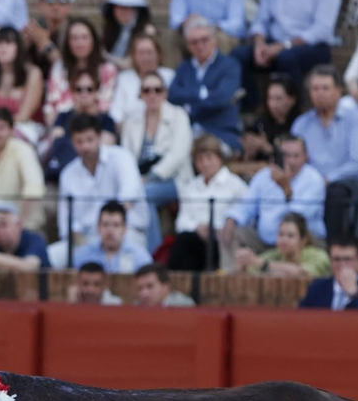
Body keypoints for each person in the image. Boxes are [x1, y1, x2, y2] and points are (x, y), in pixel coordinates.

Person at [237, 0, 340, 111]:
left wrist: (283, 46)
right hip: (276, 42)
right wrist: (260, 43)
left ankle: (294, 113)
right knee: (239, 56)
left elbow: (322, 30)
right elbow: (262, 19)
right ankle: (252, 109)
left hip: (311, 46)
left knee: (287, 58)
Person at [220, 134, 326, 271]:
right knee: (232, 230)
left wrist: (286, 189)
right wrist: (232, 219)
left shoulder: (314, 179)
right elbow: (246, 206)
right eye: (286, 156)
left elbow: (297, 219)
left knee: (290, 233)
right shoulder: (264, 176)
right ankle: (229, 277)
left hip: (302, 241)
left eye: (296, 156)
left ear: (306, 156)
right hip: (265, 239)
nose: (291, 161)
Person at [292, 67, 358, 241]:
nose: (319, 93)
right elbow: (293, 157)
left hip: (347, 184)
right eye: (315, 89)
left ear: (338, 91)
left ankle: (332, 246)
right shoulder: (301, 124)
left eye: (325, 88)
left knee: (335, 192)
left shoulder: (356, 119)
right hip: (310, 183)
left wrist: (327, 180)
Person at [55, 113, 147, 264]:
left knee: (126, 261)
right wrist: (79, 239)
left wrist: (109, 229)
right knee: (54, 256)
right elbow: (66, 222)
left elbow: (127, 200)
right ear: (72, 142)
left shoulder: (121, 157)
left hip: (124, 231)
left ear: (99, 137)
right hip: (85, 238)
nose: (85, 146)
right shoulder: (68, 174)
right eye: (79, 141)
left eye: (89, 140)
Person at [118, 71, 189, 250]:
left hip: (173, 179)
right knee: (137, 194)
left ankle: (153, 253)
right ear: (140, 94)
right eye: (147, 90)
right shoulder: (132, 121)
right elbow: (126, 158)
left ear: (165, 93)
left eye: (157, 90)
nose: (152, 95)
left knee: (143, 195)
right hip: (138, 182)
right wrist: (134, 181)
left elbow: (178, 155)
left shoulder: (178, 115)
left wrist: (149, 178)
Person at [171, 137, 248, 271]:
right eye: (200, 159)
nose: (205, 163)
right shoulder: (191, 187)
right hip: (194, 238)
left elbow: (245, 217)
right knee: (186, 244)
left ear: (219, 158)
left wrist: (218, 229)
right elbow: (181, 221)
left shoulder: (236, 186)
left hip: (223, 242)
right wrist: (197, 227)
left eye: (209, 157)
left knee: (186, 244)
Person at [168, 18, 242, 152]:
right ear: (188, 45)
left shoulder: (229, 65)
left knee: (195, 151)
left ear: (214, 40)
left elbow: (222, 98)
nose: (200, 45)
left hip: (220, 134)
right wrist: (203, 93)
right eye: (194, 42)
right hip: (188, 132)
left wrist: (189, 104)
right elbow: (172, 95)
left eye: (204, 40)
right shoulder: (185, 67)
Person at [44, 19, 118, 131]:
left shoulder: (108, 69)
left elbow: (106, 105)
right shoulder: (59, 68)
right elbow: (51, 105)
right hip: (63, 125)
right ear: (68, 42)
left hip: (97, 126)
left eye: (84, 37)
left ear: (93, 40)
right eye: (74, 38)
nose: (79, 43)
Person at [0, 26, 44, 145]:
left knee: (11, 137)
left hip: (25, 127)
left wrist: (1, 129)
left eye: (8, 43)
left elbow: (24, 115)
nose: (2, 47)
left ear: (19, 47)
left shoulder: (33, 73)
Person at [232, 211, 330, 277]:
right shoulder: (273, 255)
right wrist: (243, 264)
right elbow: (249, 271)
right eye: (281, 234)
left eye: (290, 236)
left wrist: (262, 264)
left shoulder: (319, 256)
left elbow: (301, 273)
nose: (284, 240)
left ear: (303, 239)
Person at [299, 238, 358, 309]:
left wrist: (353, 293)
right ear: (330, 261)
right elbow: (302, 319)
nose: (342, 265)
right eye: (337, 259)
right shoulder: (317, 288)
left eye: (347, 259)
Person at [110, 34, 176, 128]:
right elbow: (116, 114)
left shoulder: (170, 76)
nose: (145, 58)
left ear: (158, 54)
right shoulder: (124, 79)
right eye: (141, 53)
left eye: (149, 52)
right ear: (134, 56)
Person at [73, 202, 151, 273]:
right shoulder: (82, 256)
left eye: (116, 225)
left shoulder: (140, 257)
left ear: (124, 228)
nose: (110, 231)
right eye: (105, 224)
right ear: (98, 227)